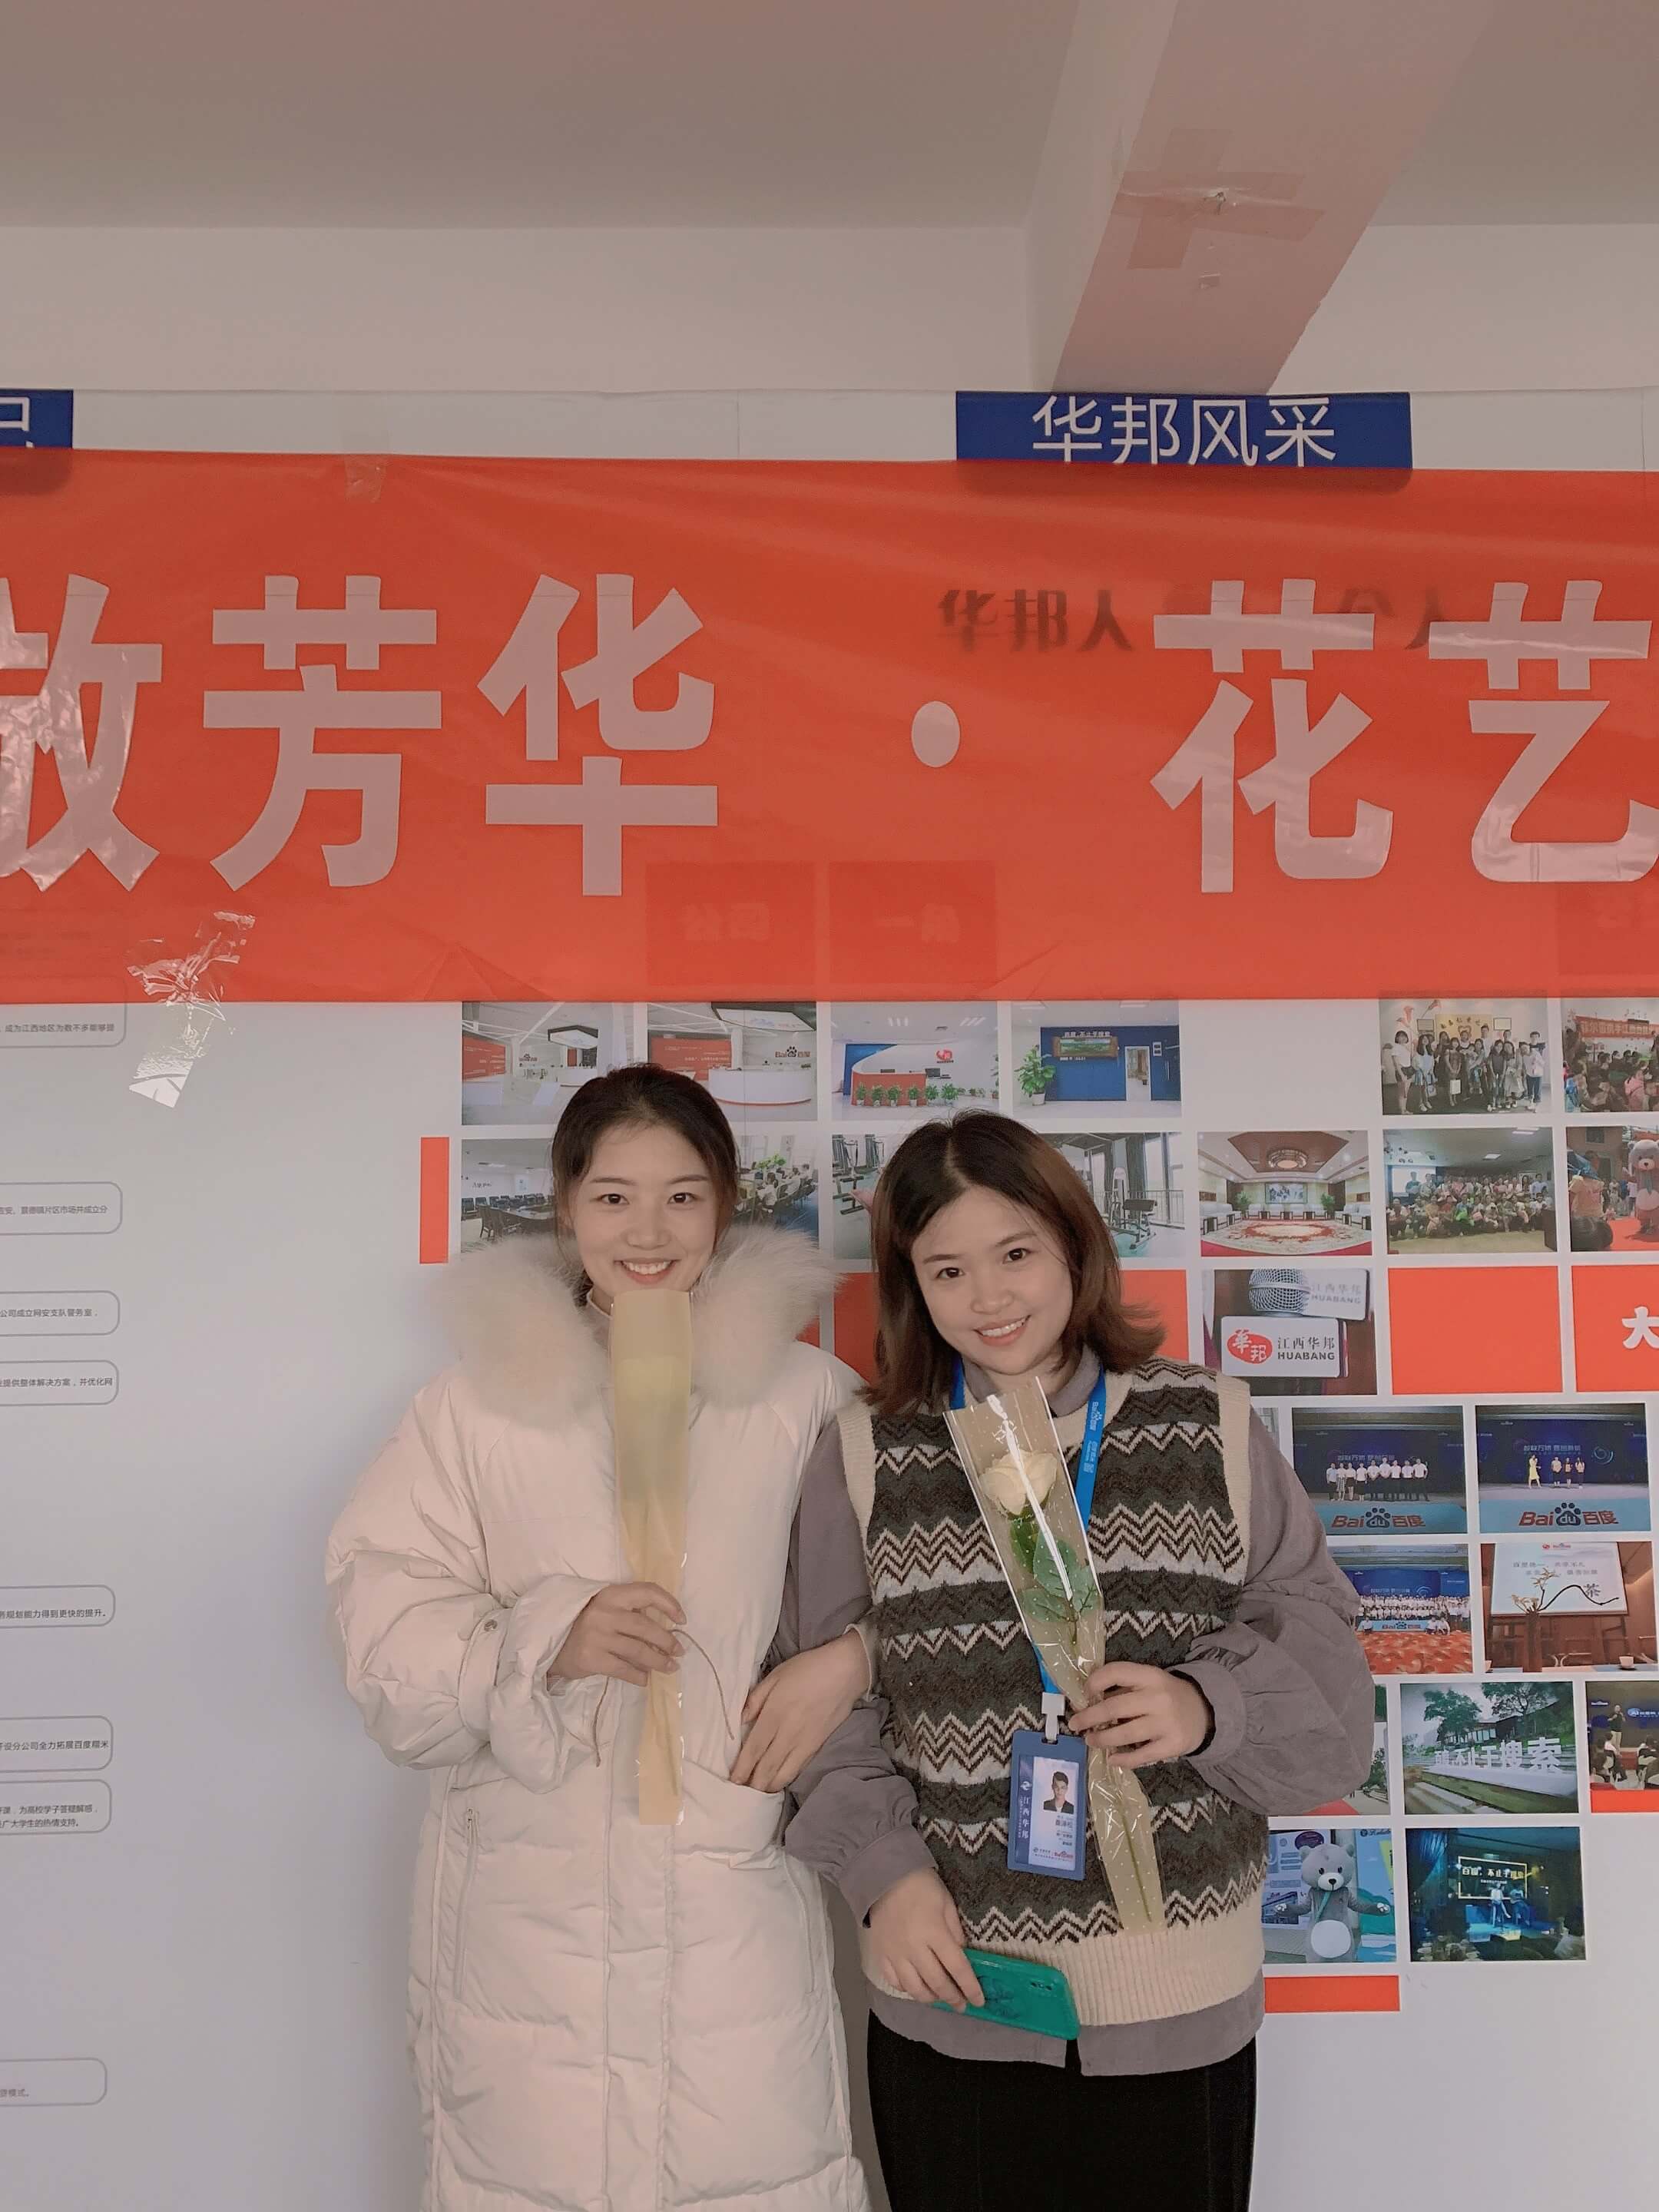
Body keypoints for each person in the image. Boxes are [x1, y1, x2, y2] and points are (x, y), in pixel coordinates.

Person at [779, 1113, 1373, 2212]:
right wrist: (885, 1876)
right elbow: (820, 1704)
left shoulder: (1207, 1421)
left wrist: (1208, 1704)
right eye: (947, 1270)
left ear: (1074, 1245)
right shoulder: (865, 1453)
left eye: (1016, 1253)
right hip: (959, 1991)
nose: (989, 1297)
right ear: (911, 1286)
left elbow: (1322, 1644)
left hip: (1178, 1999)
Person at [326, 1065, 876, 2212]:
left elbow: (925, 1596)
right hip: (531, 1919)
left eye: (682, 1196)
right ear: (566, 1205)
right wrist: (550, 1638)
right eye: (614, 1196)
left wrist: (853, 1659)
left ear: (725, 1205)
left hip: (731, 1901)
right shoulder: (473, 1406)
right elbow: (384, 1644)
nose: (648, 1231)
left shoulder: (807, 1399)